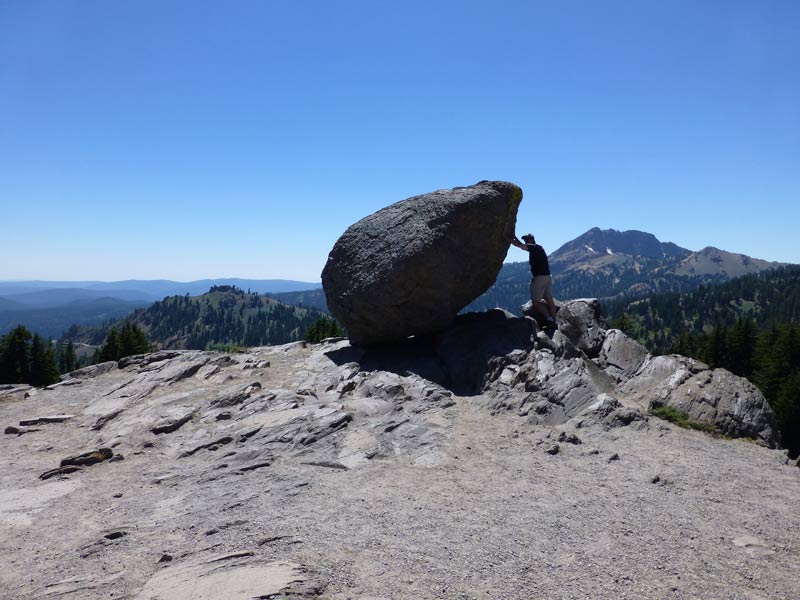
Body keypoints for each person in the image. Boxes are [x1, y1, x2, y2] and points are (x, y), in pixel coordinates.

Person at [510, 233, 558, 329]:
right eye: (525, 240)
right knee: (549, 299)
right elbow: (521, 245)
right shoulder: (539, 248)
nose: (526, 242)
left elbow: (519, 245)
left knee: (535, 302)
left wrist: (508, 239)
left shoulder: (533, 247)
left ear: (532, 240)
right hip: (547, 276)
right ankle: (554, 320)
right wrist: (514, 237)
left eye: (527, 240)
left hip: (539, 278)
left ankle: (549, 320)